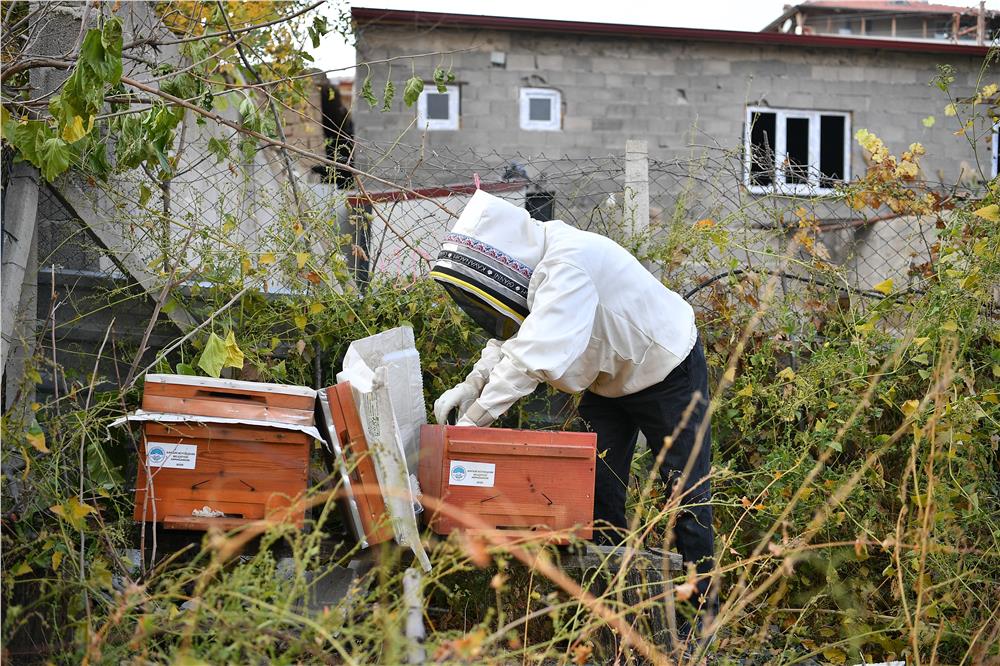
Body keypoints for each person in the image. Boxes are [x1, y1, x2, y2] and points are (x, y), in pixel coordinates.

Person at [430, 190, 717, 628]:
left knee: (685, 487)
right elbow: (516, 333)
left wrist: (472, 424)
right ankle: (615, 607)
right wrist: (472, 384)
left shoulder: (568, 264)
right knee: (597, 486)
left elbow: (532, 358)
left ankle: (701, 616)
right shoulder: (543, 260)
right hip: (609, 381)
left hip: (668, 369)